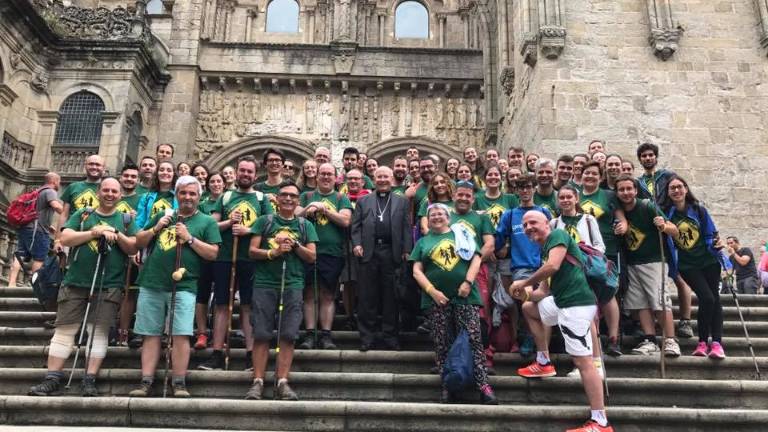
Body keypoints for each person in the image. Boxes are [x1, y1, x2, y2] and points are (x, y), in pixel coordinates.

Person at [29, 178, 138, 397]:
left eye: (114, 191)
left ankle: (89, 379)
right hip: (75, 282)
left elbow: (133, 247)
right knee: (64, 330)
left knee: (98, 332)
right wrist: (94, 232)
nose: (109, 194)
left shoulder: (125, 219)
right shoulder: (84, 215)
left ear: (119, 195)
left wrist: (115, 233)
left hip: (108, 285)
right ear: (98, 193)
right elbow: (65, 237)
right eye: (105, 190)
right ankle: (52, 377)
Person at [510, 210, 613, 432]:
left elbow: (553, 267)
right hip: (561, 302)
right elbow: (542, 292)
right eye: (525, 224)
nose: (528, 227)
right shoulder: (547, 250)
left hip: (575, 305)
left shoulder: (557, 235)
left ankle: (600, 422)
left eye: (533, 222)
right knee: (530, 308)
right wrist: (524, 294)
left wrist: (523, 282)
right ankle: (544, 362)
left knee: (584, 364)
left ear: (547, 223)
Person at [129, 176, 221, 398]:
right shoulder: (163, 216)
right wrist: (155, 228)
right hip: (152, 281)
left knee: (180, 334)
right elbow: (138, 241)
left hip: (184, 285)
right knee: (150, 334)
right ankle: (146, 381)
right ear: (177, 195)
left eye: (192, 193)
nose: (187, 197)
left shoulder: (207, 222)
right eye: (183, 193)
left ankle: (179, 382)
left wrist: (189, 239)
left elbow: (213, 253)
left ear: (199, 197)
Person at [410, 203, 498, 405]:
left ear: (448, 218)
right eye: (433, 214)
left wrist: (468, 282)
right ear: (428, 219)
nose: (437, 217)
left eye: (441, 213)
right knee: (442, 343)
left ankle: (483, 386)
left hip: (466, 296)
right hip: (437, 300)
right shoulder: (423, 242)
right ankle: (448, 386)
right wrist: (432, 291)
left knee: (474, 341)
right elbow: (416, 271)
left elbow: (476, 259)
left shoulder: (462, 234)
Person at [245, 180, 318, 400]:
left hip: (293, 283)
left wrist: (295, 245)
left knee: (288, 334)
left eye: (293, 196)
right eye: (284, 195)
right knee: (262, 333)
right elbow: (252, 251)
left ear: (298, 201)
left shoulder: (306, 225)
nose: (288, 199)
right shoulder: (264, 221)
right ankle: (258, 381)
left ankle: (282, 380)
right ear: (276, 198)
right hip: (265, 283)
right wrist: (273, 253)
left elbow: (312, 256)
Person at [198, 156, 272, 371]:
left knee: (248, 305)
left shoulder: (260, 198)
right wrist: (229, 222)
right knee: (222, 304)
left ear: (255, 174)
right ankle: (217, 353)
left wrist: (249, 230)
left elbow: (269, 224)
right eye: (242, 171)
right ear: (237, 172)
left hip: (250, 258)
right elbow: (212, 225)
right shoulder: (226, 196)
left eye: (250, 171)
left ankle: (251, 353)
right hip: (225, 257)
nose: (246, 174)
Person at [613, 174, 681, 356]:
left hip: (654, 261)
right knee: (640, 303)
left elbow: (674, 231)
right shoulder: (619, 211)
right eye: (622, 189)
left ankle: (670, 340)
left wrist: (663, 226)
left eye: (629, 188)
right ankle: (650, 340)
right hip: (632, 263)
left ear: (635, 190)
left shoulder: (647, 206)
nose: (626, 193)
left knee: (659, 301)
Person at [662, 175, 728, 358]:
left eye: (679, 187)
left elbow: (711, 232)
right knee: (707, 298)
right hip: (687, 264)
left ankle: (715, 343)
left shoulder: (699, 210)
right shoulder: (666, 214)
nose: (676, 190)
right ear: (668, 192)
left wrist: (717, 243)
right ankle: (701, 341)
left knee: (714, 299)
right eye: (672, 188)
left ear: (686, 189)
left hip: (709, 261)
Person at [550, 185, 609, 378]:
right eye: (562, 197)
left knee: (589, 318)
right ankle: (581, 362)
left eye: (569, 197)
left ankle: (595, 362)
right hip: (563, 275)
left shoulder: (588, 219)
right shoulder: (554, 223)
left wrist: (584, 255)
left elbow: (600, 245)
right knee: (572, 320)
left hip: (585, 272)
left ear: (576, 199)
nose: (565, 200)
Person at [635, 143, 693, 338]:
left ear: (656, 157)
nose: (648, 158)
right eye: (644, 156)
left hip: (669, 224)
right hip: (651, 232)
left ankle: (685, 320)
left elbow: (679, 195)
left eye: (651, 155)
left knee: (678, 274)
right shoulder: (639, 182)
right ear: (640, 159)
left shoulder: (667, 176)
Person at [352, 167, 412, 351]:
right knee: (367, 297)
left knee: (391, 297)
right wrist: (356, 244)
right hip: (369, 252)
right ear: (374, 179)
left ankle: (390, 336)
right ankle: (367, 337)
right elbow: (356, 226)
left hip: (391, 252)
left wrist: (406, 249)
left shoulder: (402, 202)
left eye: (386, 176)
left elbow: (406, 227)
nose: (383, 179)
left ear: (392, 178)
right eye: (379, 176)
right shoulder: (364, 201)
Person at [296, 163, 353, 349]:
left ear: (335, 177)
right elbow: (295, 217)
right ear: (317, 176)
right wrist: (308, 209)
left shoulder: (340, 198)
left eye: (330, 174)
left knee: (328, 294)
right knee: (309, 293)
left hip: (332, 253)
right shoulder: (307, 196)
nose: (326, 177)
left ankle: (326, 334)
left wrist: (325, 210)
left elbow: (345, 220)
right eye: (323, 174)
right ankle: (310, 333)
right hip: (308, 251)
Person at [494, 174, 552, 356]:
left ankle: (542, 345)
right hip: (521, 266)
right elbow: (498, 238)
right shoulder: (510, 215)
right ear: (516, 191)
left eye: (528, 187)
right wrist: (499, 248)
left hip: (543, 264)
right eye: (521, 187)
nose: (525, 191)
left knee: (543, 303)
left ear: (534, 188)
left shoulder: (544, 212)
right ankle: (528, 336)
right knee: (526, 302)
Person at [578, 162, 623, 356]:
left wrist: (623, 226)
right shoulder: (574, 194)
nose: (590, 176)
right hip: (580, 254)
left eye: (594, 174)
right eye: (587, 173)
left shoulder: (608, 195)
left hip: (606, 250)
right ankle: (590, 339)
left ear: (600, 176)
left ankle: (613, 338)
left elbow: (621, 218)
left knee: (608, 293)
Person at [8, 172, 63, 288]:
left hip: (27, 227)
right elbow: (56, 206)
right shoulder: (50, 191)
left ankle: (11, 283)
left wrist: (49, 226)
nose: (60, 184)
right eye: (59, 181)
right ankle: (35, 285)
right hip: (37, 231)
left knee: (21, 254)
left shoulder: (38, 191)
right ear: (54, 181)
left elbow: (38, 211)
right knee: (39, 257)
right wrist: (68, 214)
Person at [194, 171, 225, 350]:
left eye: (218, 181)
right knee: (202, 294)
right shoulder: (203, 204)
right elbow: (206, 225)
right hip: (204, 254)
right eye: (212, 181)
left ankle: (219, 334)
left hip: (224, 255)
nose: (215, 184)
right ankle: (202, 332)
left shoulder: (229, 201)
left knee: (221, 297)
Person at [114, 164, 143, 346]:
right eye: (126, 176)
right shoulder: (111, 197)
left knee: (129, 294)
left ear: (138, 180)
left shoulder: (142, 199)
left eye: (133, 176)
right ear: (121, 178)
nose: (130, 179)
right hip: (111, 252)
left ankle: (123, 331)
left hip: (132, 250)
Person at [58, 155, 105, 244]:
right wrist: (57, 240)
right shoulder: (73, 187)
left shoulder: (108, 189)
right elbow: (64, 215)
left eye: (98, 165)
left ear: (103, 168)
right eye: (91, 164)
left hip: (98, 237)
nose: (94, 167)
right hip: (73, 236)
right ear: (85, 166)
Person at [135, 160, 178, 230]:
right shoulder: (146, 197)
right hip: (149, 236)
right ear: (157, 174)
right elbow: (139, 223)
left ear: (174, 174)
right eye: (161, 170)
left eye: (169, 170)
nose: (165, 172)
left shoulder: (179, 197)